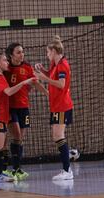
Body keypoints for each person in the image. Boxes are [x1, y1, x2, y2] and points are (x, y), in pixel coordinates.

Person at [0, 52, 36, 182]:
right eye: (5, 60)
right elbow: (9, 91)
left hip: (0, 114)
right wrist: (24, 82)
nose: (7, 62)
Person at [4, 43, 48, 180]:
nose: (22, 54)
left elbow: (34, 83)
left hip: (24, 107)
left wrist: (48, 94)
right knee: (15, 135)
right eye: (18, 52)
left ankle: (17, 169)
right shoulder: (6, 68)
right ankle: (7, 168)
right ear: (11, 55)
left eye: (22, 52)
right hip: (10, 107)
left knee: (20, 138)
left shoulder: (26, 67)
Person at [34, 36, 74, 180]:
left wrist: (44, 79)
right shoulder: (55, 64)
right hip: (56, 105)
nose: (47, 55)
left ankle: (67, 170)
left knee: (58, 135)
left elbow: (61, 84)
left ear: (55, 51)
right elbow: (53, 77)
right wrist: (43, 71)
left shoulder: (63, 64)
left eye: (48, 52)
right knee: (57, 136)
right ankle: (68, 159)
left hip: (62, 105)